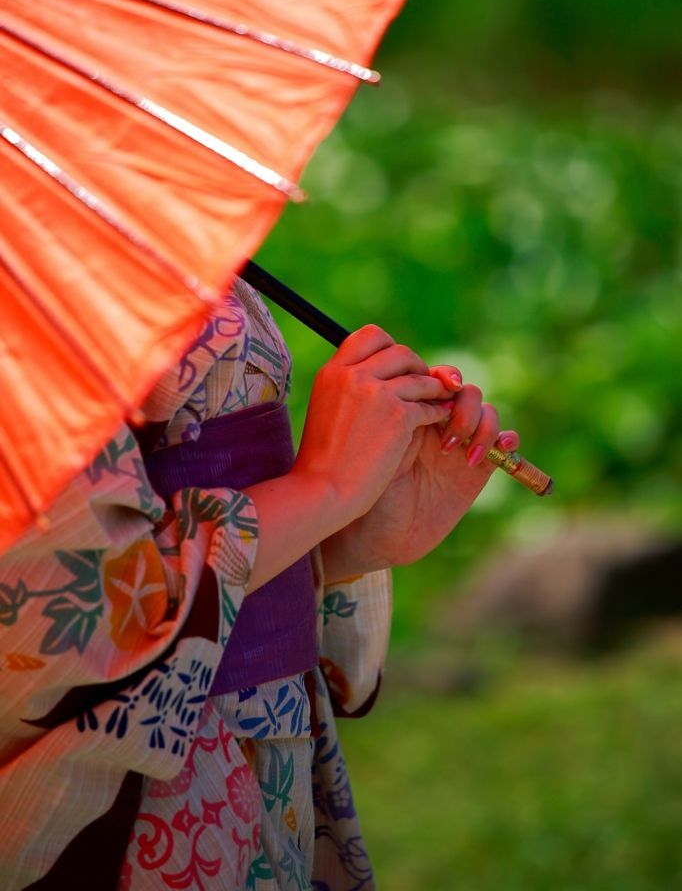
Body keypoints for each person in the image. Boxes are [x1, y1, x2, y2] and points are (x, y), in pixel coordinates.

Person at [0, 277, 519, 890]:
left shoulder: (136, 221)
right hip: (148, 807)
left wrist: (340, 539)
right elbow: (59, 612)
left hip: (270, 741)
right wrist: (321, 488)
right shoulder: (27, 255)